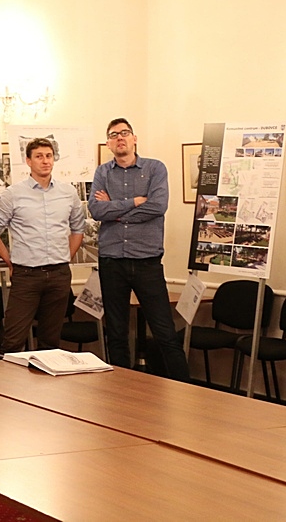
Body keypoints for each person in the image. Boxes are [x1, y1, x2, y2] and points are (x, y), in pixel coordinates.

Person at [89, 118, 191, 382]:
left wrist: (115, 209)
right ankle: (121, 391)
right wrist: (133, 202)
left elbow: (157, 207)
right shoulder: (102, 172)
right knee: (116, 333)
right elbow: (96, 210)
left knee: (165, 332)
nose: (120, 138)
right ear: (109, 143)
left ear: (134, 139)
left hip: (147, 262)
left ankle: (186, 390)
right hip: (112, 261)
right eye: (114, 135)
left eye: (125, 133)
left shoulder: (155, 168)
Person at [0, 138, 86, 354]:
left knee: (50, 343)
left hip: (59, 275)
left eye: (49, 156)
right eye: (39, 156)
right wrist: (10, 262)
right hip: (26, 275)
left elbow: (78, 229)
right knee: (13, 341)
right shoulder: (13, 194)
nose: (45, 161)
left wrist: (66, 257)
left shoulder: (68, 192)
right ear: (28, 161)